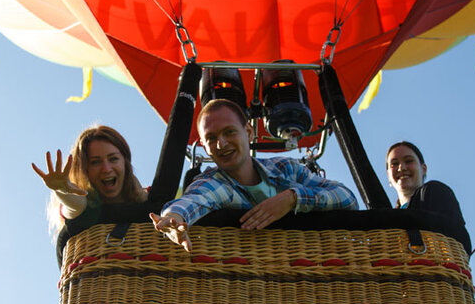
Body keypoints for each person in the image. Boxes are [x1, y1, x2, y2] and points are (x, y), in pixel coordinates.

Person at [150, 99, 358, 250]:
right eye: (211, 138)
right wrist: (173, 219)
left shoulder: (285, 169)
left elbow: (347, 198)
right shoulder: (213, 183)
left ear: (249, 132)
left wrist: (292, 198)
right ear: (204, 146)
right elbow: (194, 200)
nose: (221, 144)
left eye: (229, 132)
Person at [33, 125, 147, 227]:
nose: (106, 169)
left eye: (113, 159)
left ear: (125, 162)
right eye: (95, 162)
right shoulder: (82, 206)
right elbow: (76, 206)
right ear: (84, 170)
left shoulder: (149, 195)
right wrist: (62, 190)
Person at [385, 140, 471, 251]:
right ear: (388, 175)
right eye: (394, 163)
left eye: (408, 161)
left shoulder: (435, 192)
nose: (402, 168)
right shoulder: (387, 220)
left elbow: (458, 239)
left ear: (423, 169)